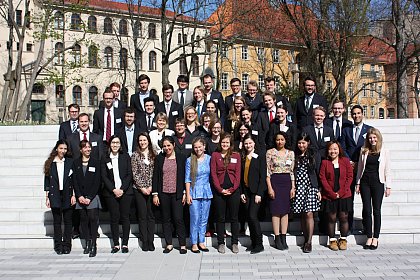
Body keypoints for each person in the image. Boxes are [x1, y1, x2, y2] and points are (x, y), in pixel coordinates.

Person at [355, 128, 391, 250]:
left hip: (378, 182)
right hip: (365, 182)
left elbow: (387, 169)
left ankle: (376, 237)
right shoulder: (364, 150)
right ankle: (368, 236)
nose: (372, 140)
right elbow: (360, 168)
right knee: (366, 209)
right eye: (370, 138)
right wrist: (358, 183)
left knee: (376, 210)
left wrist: (388, 186)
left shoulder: (384, 151)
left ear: (378, 138)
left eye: (374, 137)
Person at [340, 105, 373, 233]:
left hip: (364, 168)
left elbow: (371, 148)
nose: (356, 116)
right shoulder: (346, 130)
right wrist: (349, 161)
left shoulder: (369, 129)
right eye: (354, 114)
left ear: (362, 114)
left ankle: (366, 227)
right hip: (350, 167)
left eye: (358, 113)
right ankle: (349, 227)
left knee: (366, 200)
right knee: (349, 199)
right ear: (351, 115)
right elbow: (343, 147)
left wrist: (360, 162)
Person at [152, 136, 187, 254]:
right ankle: (169, 244)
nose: (167, 148)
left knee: (178, 218)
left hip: (177, 193)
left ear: (174, 145)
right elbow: (156, 177)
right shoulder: (159, 158)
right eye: (164, 146)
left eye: (169, 145)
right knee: (166, 219)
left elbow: (184, 176)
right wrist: (155, 194)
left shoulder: (181, 158)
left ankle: (182, 244)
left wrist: (184, 192)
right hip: (163, 193)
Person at [101, 135, 133, 254]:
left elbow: (129, 175)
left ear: (120, 145)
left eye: (117, 143)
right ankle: (115, 244)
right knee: (114, 218)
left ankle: (125, 243)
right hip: (111, 193)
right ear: (109, 144)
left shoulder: (125, 157)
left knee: (125, 217)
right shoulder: (105, 158)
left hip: (125, 192)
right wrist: (114, 189)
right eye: (113, 143)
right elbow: (104, 176)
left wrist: (122, 189)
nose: (115, 145)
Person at [319, 141, 353, 251]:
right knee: (331, 218)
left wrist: (341, 192)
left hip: (344, 194)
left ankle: (343, 239)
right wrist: (332, 193)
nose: (333, 151)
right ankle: (332, 239)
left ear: (339, 150)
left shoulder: (346, 161)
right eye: (330, 149)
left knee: (344, 217)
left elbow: (349, 177)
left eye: (335, 149)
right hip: (330, 195)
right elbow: (322, 179)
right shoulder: (325, 162)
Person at [210, 133, 241, 254]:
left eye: (227, 142)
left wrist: (232, 189)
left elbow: (238, 174)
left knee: (234, 218)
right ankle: (221, 243)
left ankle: (234, 242)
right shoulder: (215, 155)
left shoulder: (236, 155)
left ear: (230, 143)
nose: (225, 144)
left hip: (233, 191)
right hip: (220, 191)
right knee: (220, 218)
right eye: (223, 142)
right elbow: (213, 174)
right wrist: (220, 189)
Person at [43, 140, 75, 255]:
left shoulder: (70, 162)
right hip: (55, 194)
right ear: (57, 148)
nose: (63, 151)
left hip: (67, 193)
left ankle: (67, 245)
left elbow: (74, 180)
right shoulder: (50, 163)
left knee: (67, 221)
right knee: (57, 221)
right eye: (61, 148)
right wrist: (47, 197)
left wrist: (74, 195)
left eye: (65, 149)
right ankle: (58, 245)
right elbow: (47, 181)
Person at [266, 131, 295, 250]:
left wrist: (293, 187)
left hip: (287, 182)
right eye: (278, 139)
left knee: (285, 211)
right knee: (276, 211)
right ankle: (277, 237)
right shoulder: (270, 152)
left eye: (282, 139)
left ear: (285, 140)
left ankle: (284, 236)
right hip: (275, 181)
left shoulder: (291, 153)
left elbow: (292, 171)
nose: (280, 142)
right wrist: (270, 187)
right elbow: (268, 171)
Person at [292, 132, 321, 253]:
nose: (301, 145)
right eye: (299, 143)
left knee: (309, 213)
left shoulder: (314, 154)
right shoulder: (295, 155)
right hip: (299, 187)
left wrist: (319, 189)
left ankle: (309, 241)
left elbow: (319, 172)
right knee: (303, 214)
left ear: (308, 142)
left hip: (310, 186)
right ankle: (305, 238)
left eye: (303, 143)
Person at [72, 140, 102, 257]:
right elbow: (74, 180)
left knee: (93, 219)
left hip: (92, 196)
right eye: (85, 147)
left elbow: (97, 181)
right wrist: (79, 196)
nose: (88, 149)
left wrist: (89, 197)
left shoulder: (96, 162)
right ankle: (87, 242)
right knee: (83, 220)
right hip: (80, 197)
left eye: (89, 147)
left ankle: (94, 244)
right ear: (81, 150)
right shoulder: (76, 163)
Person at [240, 134, 267, 254]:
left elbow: (262, 176)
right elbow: (241, 176)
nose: (248, 145)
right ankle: (253, 242)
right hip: (246, 191)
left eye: (250, 143)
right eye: (246, 143)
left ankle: (259, 243)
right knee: (249, 218)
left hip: (256, 192)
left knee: (252, 216)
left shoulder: (260, 156)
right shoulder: (243, 156)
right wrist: (241, 192)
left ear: (254, 143)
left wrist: (259, 193)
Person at [185, 137, 212, 253]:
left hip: (206, 191)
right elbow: (187, 179)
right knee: (195, 218)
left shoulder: (210, 159)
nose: (198, 149)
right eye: (195, 147)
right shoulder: (190, 160)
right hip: (194, 191)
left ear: (204, 147)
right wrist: (187, 194)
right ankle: (194, 243)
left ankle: (202, 241)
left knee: (204, 218)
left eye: (200, 146)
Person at [132, 132, 156, 251]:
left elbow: (155, 172)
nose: (142, 142)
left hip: (152, 189)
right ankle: (144, 240)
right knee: (142, 216)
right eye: (140, 140)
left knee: (151, 216)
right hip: (139, 190)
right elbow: (134, 173)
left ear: (148, 141)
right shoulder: (135, 155)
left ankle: (151, 240)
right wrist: (142, 188)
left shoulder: (153, 154)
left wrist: (151, 187)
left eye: (144, 140)